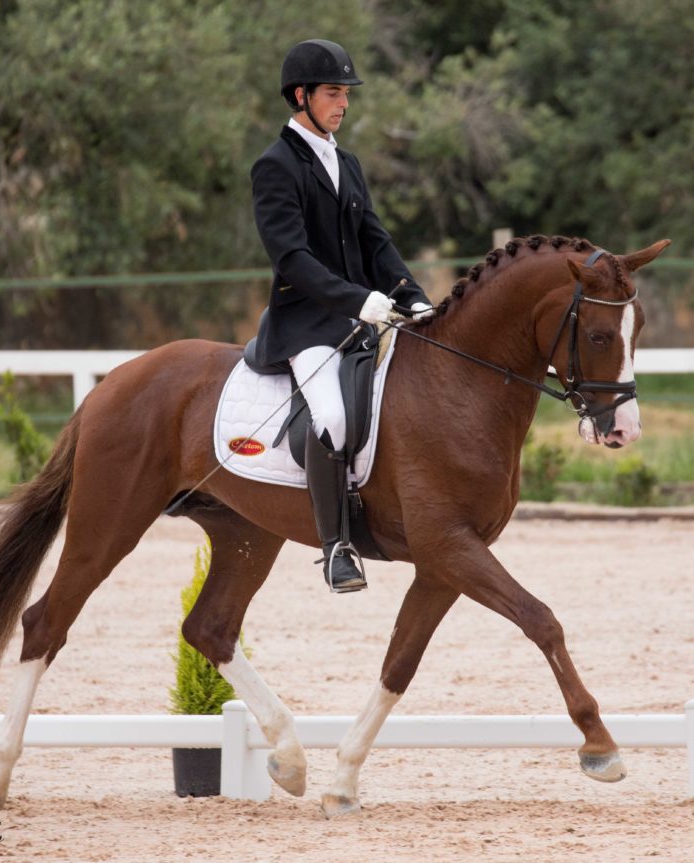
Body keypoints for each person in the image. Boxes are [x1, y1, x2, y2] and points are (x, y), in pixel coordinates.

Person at [250, 39, 434, 594]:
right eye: (333, 93)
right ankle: (337, 549)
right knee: (331, 417)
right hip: (307, 324)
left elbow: (375, 241)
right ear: (301, 95)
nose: (343, 104)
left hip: (363, 316)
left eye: (345, 94)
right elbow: (292, 258)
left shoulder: (345, 162)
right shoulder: (275, 165)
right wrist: (357, 300)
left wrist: (413, 296)